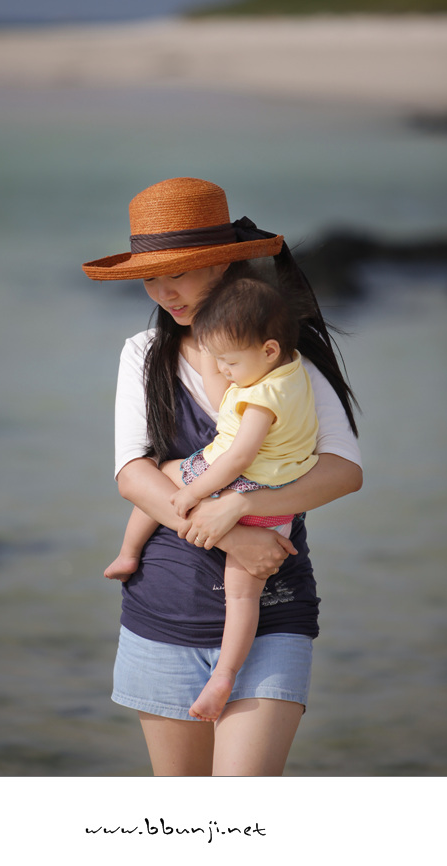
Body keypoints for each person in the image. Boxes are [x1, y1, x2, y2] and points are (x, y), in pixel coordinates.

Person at [82, 176, 362, 777]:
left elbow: (344, 472)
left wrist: (244, 505)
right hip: (163, 610)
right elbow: (132, 474)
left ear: (222, 263)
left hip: (274, 608)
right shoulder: (143, 353)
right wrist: (233, 536)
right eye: (150, 278)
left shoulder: (285, 357)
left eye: (178, 273)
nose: (163, 292)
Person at [105, 274, 320, 722]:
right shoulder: (290, 370)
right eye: (150, 278)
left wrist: (194, 495)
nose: (224, 370)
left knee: (164, 475)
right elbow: (225, 397)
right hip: (276, 507)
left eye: (230, 362)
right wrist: (214, 355)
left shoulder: (261, 397)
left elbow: (238, 455)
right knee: (242, 599)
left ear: (268, 350)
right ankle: (225, 677)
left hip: (238, 486)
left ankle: (128, 553)